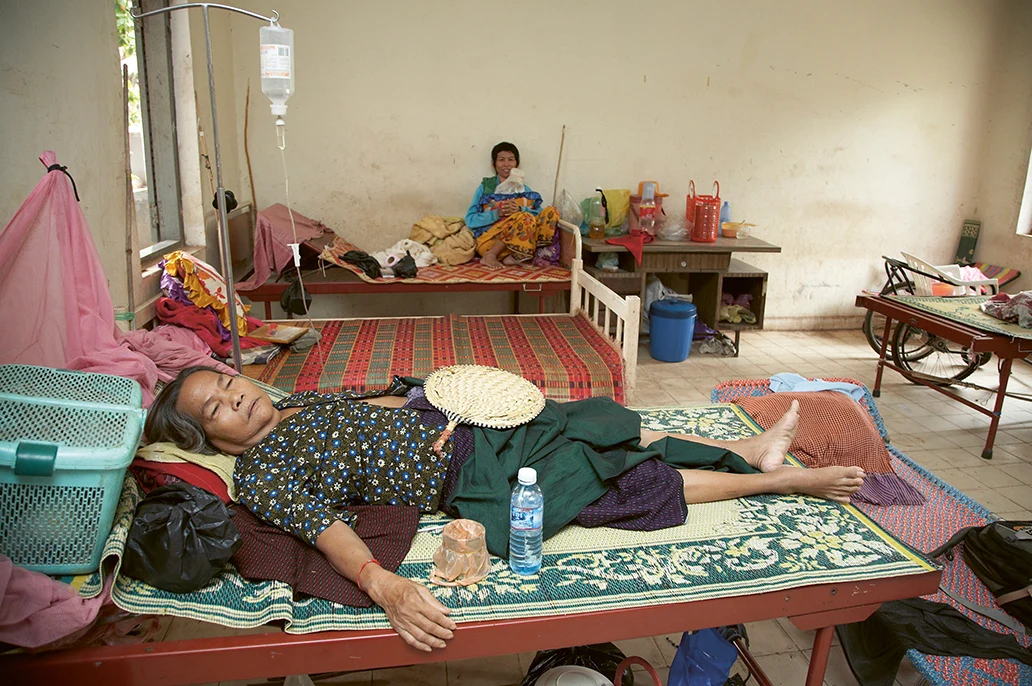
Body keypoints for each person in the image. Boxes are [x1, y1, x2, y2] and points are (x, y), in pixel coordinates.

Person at [145, 368, 865, 653]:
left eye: (230, 383)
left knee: (594, 416)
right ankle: (779, 482)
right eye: (216, 408)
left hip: (460, 418)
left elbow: (384, 404)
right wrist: (382, 583)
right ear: (208, 438)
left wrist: (443, 395)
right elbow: (324, 529)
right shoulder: (264, 474)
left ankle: (742, 444)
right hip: (462, 468)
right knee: (610, 486)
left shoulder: (299, 400)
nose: (236, 398)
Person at [464, 141, 560, 269]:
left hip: (519, 246)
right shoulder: (485, 188)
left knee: (551, 212)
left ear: (517, 164)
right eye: (501, 160)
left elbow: (539, 215)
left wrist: (521, 209)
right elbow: (470, 220)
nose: (506, 164)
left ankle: (518, 256)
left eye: (511, 160)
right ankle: (491, 256)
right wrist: (497, 214)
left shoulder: (524, 190)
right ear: (494, 164)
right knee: (524, 218)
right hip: (489, 243)